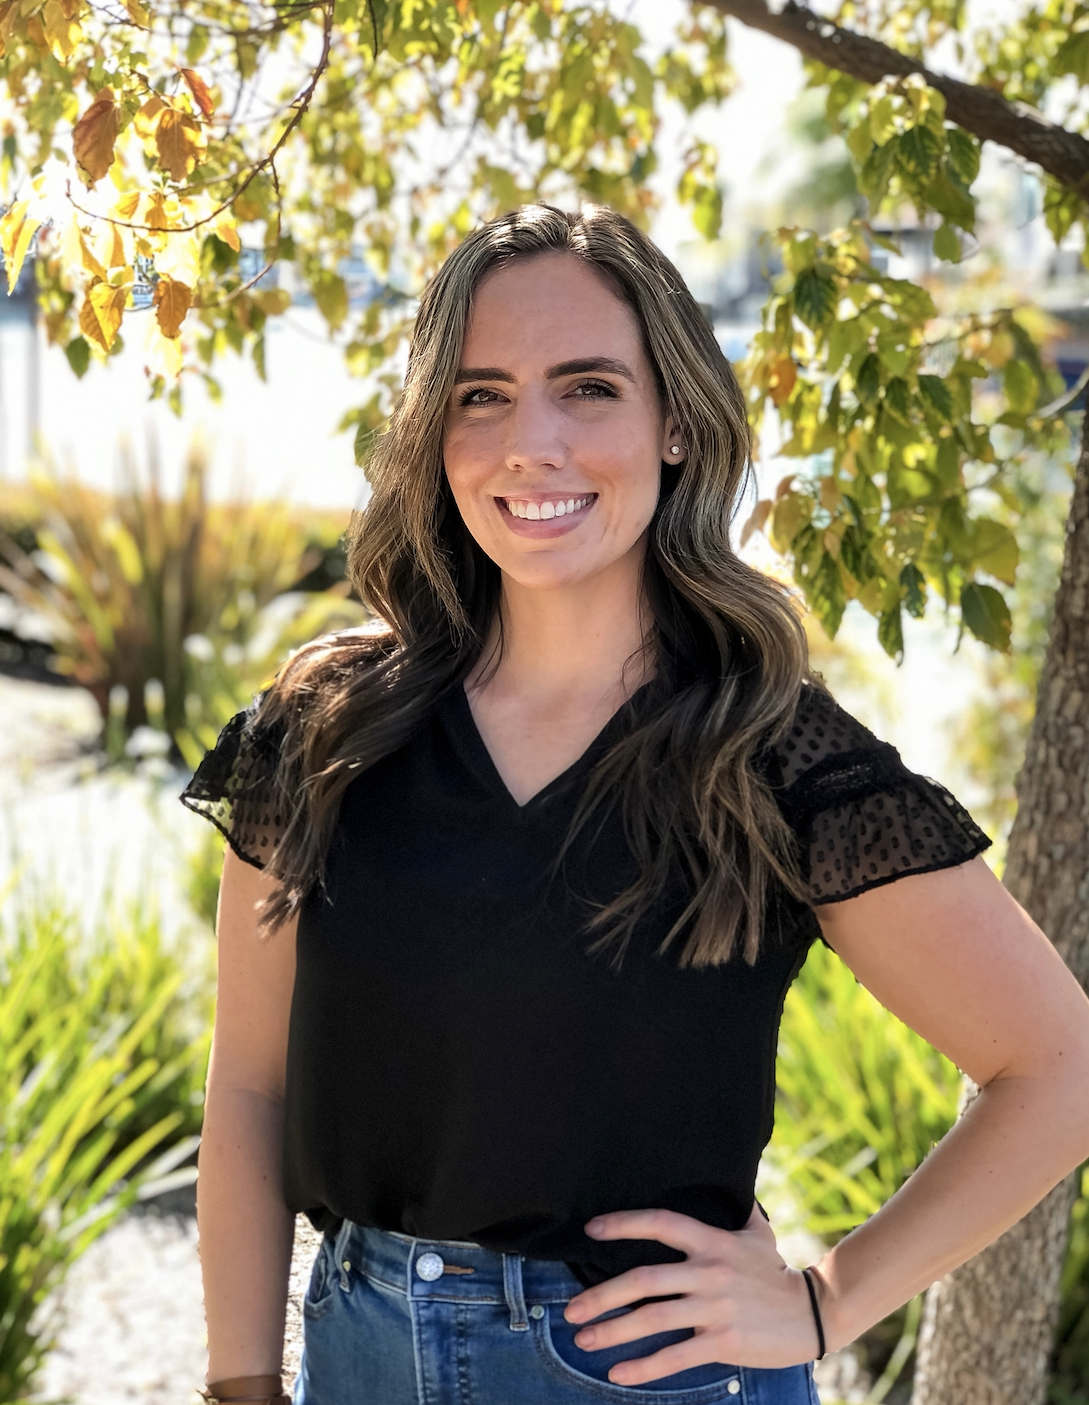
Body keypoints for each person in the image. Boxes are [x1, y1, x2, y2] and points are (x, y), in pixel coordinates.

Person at [182, 203, 1089, 1405]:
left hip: (650, 1377)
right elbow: (248, 1088)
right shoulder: (323, 727)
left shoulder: (768, 753)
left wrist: (829, 1300)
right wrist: (240, 1386)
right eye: (481, 394)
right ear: (434, 433)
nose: (530, 443)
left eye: (590, 388)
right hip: (360, 1358)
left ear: (673, 425)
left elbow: (1059, 1065)